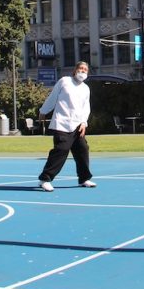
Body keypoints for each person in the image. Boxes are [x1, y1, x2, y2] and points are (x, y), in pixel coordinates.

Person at [37, 61, 95, 192]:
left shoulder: (86, 88)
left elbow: (86, 107)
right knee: (61, 150)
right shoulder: (64, 81)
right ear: (75, 70)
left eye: (85, 70)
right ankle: (45, 179)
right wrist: (43, 111)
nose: (83, 71)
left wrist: (84, 122)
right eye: (80, 68)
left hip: (78, 125)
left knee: (82, 149)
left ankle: (84, 178)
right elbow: (52, 98)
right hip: (61, 123)